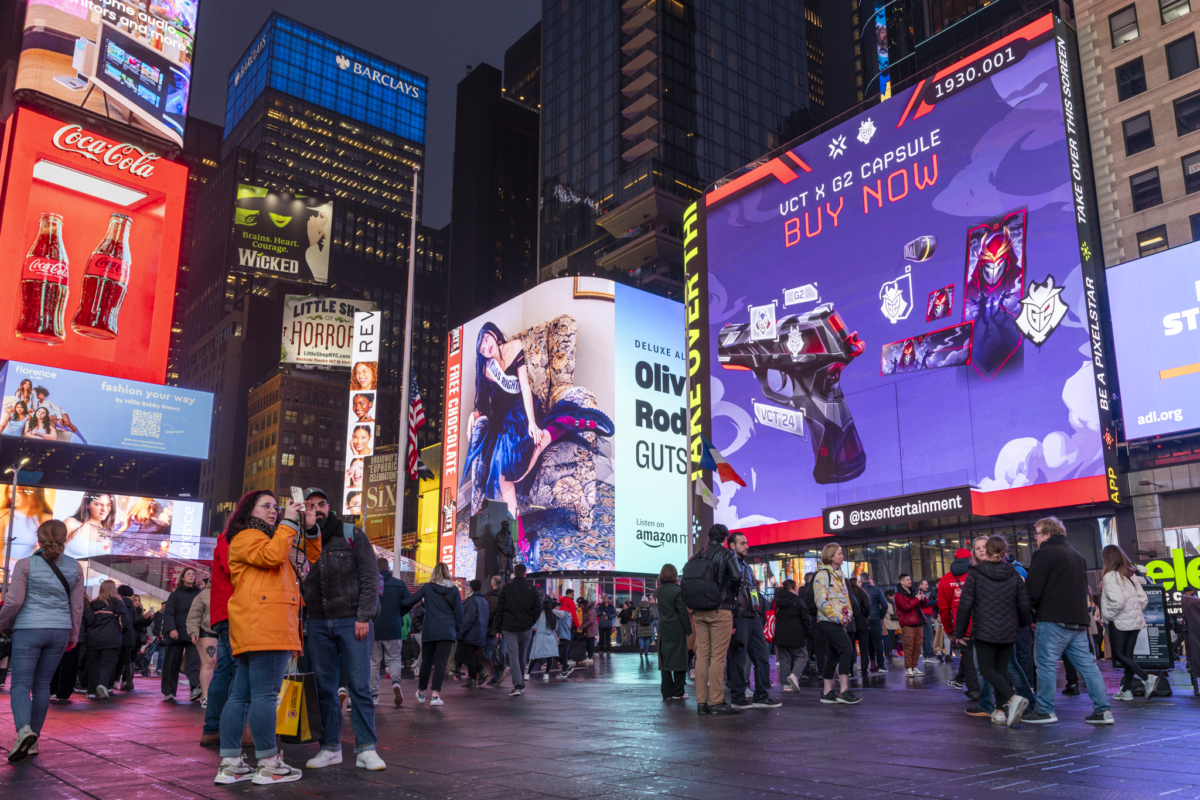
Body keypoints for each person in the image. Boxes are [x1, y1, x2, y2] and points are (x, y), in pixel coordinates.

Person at [461, 323, 614, 555]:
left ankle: (562, 426)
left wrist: (532, 423)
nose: (486, 347)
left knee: (512, 465)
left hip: (524, 413)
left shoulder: (515, 347)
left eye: (486, 340)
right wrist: (473, 415)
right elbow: (481, 403)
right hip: (504, 424)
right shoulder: (486, 370)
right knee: (504, 477)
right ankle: (520, 540)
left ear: (493, 334)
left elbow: (524, 387)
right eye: (481, 348)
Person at [214, 490, 320, 785]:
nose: (274, 510)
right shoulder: (248, 536)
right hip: (268, 625)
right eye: (266, 506)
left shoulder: (269, 537)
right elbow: (273, 557)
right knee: (264, 696)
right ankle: (269, 763)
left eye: (276, 506)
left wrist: (309, 528)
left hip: (256, 625)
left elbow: (309, 559)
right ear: (249, 510)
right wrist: (289, 522)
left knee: (242, 695)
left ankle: (231, 764)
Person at [299, 488, 385, 771]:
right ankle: (330, 748)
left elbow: (371, 577)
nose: (316, 510)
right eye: (310, 506)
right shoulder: (299, 540)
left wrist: (363, 616)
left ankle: (366, 748)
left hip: (351, 621)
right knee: (325, 689)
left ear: (329, 506)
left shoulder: (351, 534)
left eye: (321, 504)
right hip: (317, 622)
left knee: (359, 687)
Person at [0, 520, 85, 762]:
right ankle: (33, 739)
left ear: (38, 539)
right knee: (42, 686)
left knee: (20, 684)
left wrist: (1, 623)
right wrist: (73, 635)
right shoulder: (75, 567)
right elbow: (77, 606)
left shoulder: (25, 564)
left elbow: (14, 601)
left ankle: (24, 730)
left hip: (29, 628)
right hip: (60, 630)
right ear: (65, 539)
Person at [1023, 516, 1114, 725]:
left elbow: (1033, 590)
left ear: (1047, 534)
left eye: (1037, 534)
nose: (1035, 538)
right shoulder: (1076, 554)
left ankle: (1045, 711)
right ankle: (1103, 710)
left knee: (1046, 665)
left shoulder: (1043, 553)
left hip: (1052, 618)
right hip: (1078, 619)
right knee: (1088, 666)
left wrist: (1027, 613)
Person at [953, 535, 1032, 727]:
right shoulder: (1013, 572)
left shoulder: (976, 573)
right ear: (1004, 552)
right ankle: (998, 712)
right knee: (1001, 671)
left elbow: (965, 605)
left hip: (984, 630)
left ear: (987, 551)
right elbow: (1024, 604)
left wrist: (960, 632)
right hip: (1009, 630)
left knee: (986, 669)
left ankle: (1013, 699)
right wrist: (1020, 624)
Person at [683, 524, 742, 715]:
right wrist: (730, 592)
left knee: (702, 656)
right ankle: (716, 701)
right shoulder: (726, 554)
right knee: (718, 656)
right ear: (725, 539)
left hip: (699, 611)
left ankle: (701, 702)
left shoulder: (696, 556)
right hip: (720, 610)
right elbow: (737, 576)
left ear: (708, 537)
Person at [1100, 544, 1157, 702]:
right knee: (1128, 656)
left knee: (1118, 655)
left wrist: (1108, 615)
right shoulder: (1130, 575)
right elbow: (1143, 599)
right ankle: (1126, 691)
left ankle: (1147, 678)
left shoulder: (1109, 576)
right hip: (1135, 621)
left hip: (1119, 621)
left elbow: (1118, 602)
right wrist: (1133, 612)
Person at [728, 531, 778, 708]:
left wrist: (759, 613)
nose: (747, 546)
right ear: (732, 545)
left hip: (752, 617)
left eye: (746, 543)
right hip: (739, 618)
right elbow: (728, 593)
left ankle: (761, 696)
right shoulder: (729, 566)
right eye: (742, 543)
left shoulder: (746, 567)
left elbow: (751, 592)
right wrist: (732, 620)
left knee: (762, 658)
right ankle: (738, 697)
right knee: (739, 660)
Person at [201, 513, 238, 747]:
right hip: (232, 612)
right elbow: (234, 568)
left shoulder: (224, 540)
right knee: (235, 670)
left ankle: (213, 728)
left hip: (225, 613)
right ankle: (230, 729)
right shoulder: (229, 540)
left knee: (225, 670)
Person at [402, 563, 463, 706]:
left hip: (430, 630)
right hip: (447, 631)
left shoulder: (427, 588)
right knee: (441, 663)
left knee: (427, 662)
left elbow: (410, 601)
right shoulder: (454, 590)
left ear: (434, 573)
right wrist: (456, 629)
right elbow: (459, 613)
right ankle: (435, 696)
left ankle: (421, 692)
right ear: (447, 573)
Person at [814, 543, 861, 705]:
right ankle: (843, 691)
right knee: (847, 650)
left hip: (837, 620)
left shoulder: (839, 574)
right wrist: (839, 617)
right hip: (828, 620)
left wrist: (847, 615)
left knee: (833, 655)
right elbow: (821, 601)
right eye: (839, 553)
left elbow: (845, 599)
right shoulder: (822, 574)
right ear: (831, 556)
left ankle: (827, 692)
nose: (843, 556)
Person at [495, 563, 541, 696]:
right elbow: (538, 609)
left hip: (509, 627)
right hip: (525, 627)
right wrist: (531, 621)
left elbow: (500, 610)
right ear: (525, 573)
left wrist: (498, 628)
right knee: (522, 655)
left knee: (513, 655)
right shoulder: (532, 589)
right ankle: (520, 681)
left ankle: (518, 684)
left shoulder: (506, 589)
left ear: (514, 573)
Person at [939, 547, 980, 697]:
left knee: (968, 658)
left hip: (963, 627)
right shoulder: (976, 574)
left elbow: (944, 609)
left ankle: (974, 690)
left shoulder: (945, 580)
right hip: (982, 624)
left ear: (954, 559)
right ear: (970, 559)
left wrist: (949, 630)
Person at [372, 557, 412, 705]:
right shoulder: (399, 584)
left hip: (374, 628)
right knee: (394, 659)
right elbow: (410, 602)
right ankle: (395, 683)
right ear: (388, 568)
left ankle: (374, 696)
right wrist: (399, 613)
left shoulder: (371, 583)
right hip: (394, 628)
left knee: (373, 662)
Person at [161, 567, 202, 701]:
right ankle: (169, 691)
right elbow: (168, 614)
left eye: (193, 574)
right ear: (183, 577)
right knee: (171, 663)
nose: (191, 576)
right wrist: (171, 629)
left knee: (193, 662)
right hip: (176, 633)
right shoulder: (175, 594)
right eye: (188, 574)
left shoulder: (199, 593)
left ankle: (195, 688)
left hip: (193, 632)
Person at [654, 564, 692, 700]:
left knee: (665, 661)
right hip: (677, 629)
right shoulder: (678, 591)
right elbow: (683, 612)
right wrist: (689, 630)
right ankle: (678, 692)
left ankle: (666, 692)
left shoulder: (658, 591)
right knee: (679, 660)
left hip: (663, 629)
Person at [83, 580, 125, 699]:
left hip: (93, 638)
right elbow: (125, 622)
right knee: (108, 663)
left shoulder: (93, 603)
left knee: (93, 665)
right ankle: (102, 685)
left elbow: (89, 620)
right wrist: (120, 633)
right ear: (113, 589)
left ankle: (91, 691)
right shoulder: (118, 603)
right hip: (111, 638)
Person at [771, 579, 810, 693]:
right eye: (796, 587)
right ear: (792, 588)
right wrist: (807, 632)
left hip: (780, 634)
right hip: (796, 634)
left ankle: (785, 685)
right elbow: (806, 619)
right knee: (802, 655)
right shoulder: (798, 601)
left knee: (784, 659)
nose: (797, 589)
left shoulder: (777, 601)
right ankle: (794, 675)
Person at [186, 583, 218, 707]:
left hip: (227, 630)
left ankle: (216, 695)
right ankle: (205, 696)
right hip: (207, 630)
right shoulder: (204, 594)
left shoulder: (234, 589)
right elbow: (194, 614)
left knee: (220, 665)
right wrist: (193, 631)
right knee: (209, 662)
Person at [894, 574, 929, 677]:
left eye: (910, 579)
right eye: (907, 580)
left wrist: (923, 599)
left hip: (918, 623)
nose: (910, 581)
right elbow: (906, 607)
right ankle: (908, 668)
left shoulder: (913, 593)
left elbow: (922, 606)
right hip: (908, 624)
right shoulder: (899, 595)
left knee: (917, 647)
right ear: (901, 582)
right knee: (909, 647)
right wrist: (917, 599)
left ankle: (914, 667)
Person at [63, 492, 116, 559]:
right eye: (98, 504)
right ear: (87, 504)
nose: (104, 509)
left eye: (108, 505)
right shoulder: (71, 524)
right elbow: (52, 552)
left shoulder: (107, 534)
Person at [528, 597, 569, 681]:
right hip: (550, 637)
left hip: (540, 637)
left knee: (535, 656)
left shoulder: (539, 615)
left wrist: (539, 629)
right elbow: (555, 628)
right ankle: (546, 674)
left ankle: (527, 674)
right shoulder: (553, 616)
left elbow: (534, 627)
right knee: (549, 657)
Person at [459, 579, 490, 688]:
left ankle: (474, 678)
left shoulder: (471, 600)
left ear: (471, 588)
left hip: (471, 632)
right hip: (481, 632)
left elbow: (468, 619)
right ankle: (480, 673)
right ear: (480, 588)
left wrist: (461, 633)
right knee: (472, 654)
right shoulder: (484, 601)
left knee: (470, 655)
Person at [860, 574, 888, 672]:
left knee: (864, 644)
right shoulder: (877, 590)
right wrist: (880, 616)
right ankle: (881, 666)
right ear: (869, 579)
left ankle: (865, 667)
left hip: (862, 620)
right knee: (877, 643)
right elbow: (885, 605)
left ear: (861, 579)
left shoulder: (857, 590)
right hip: (875, 619)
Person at [113, 584, 138, 691]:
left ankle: (114, 681)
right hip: (129, 634)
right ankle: (128, 681)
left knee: (115, 658)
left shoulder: (117, 602)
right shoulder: (131, 605)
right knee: (127, 658)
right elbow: (133, 620)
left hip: (118, 633)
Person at [846, 576, 871, 678]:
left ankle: (850, 671)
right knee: (864, 648)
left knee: (850, 647)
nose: (861, 583)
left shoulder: (847, 595)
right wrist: (866, 615)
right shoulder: (862, 593)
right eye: (859, 582)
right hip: (862, 621)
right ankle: (864, 671)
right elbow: (867, 606)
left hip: (850, 622)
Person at [483, 576, 506, 686]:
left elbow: (490, 614)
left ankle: (502, 667)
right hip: (505, 629)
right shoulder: (506, 596)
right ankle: (496, 677)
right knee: (500, 653)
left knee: (488, 651)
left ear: (492, 584)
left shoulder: (492, 598)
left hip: (493, 629)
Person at [579, 598, 598, 664]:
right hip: (588, 629)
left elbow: (590, 620)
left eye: (581, 605)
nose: (580, 606)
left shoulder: (590, 610)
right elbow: (585, 620)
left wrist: (582, 626)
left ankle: (590, 657)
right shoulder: (586, 610)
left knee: (590, 643)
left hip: (591, 629)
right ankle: (589, 657)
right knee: (588, 643)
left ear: (584, 604)